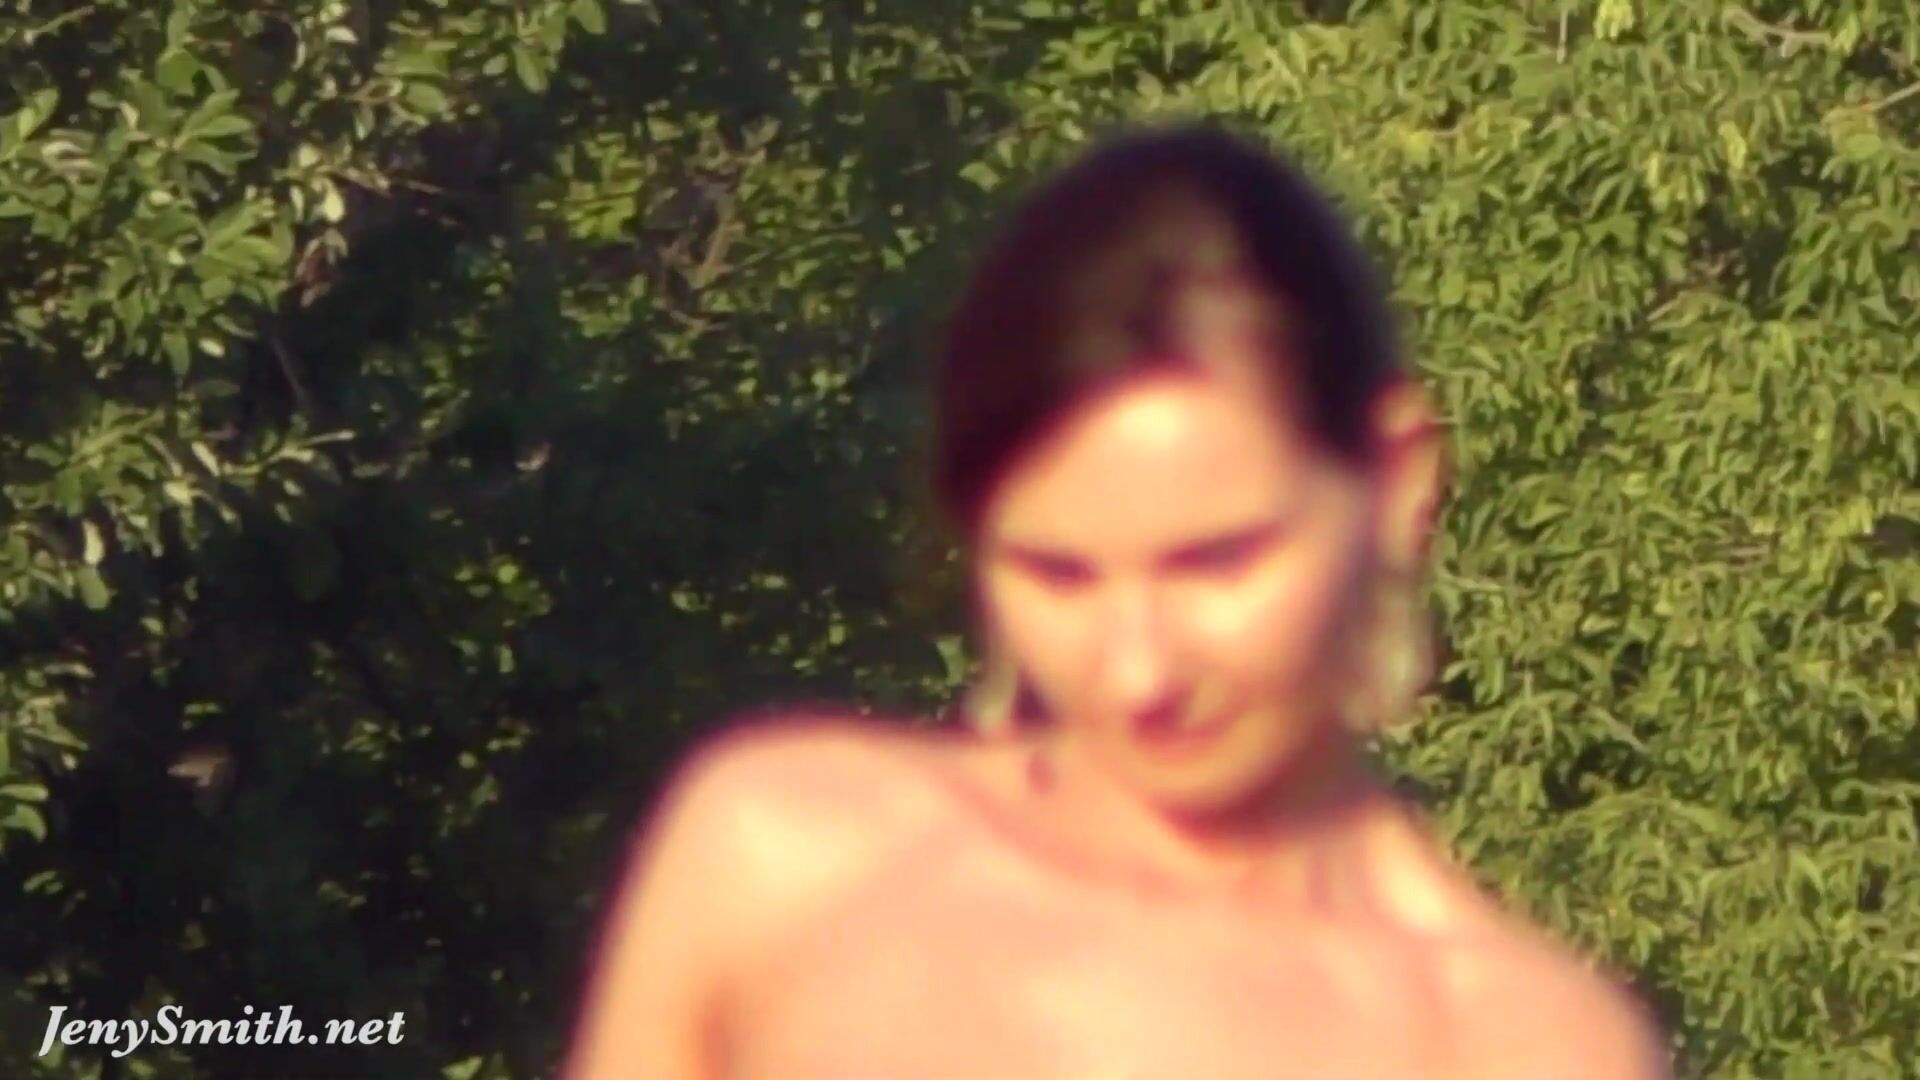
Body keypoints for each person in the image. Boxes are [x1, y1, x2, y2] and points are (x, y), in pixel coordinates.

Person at [565, 122, 1670, 1079]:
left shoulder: (1511, 1046)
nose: (1138, 672)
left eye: (1216, 564)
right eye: (1056, 574)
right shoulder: (788, 860)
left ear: (1396, 479)